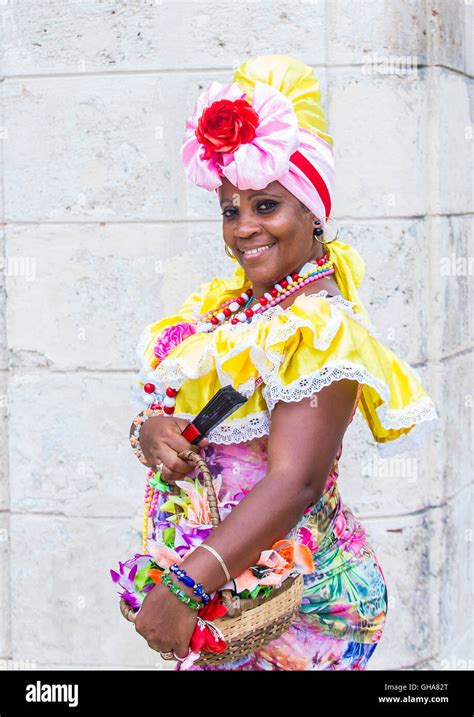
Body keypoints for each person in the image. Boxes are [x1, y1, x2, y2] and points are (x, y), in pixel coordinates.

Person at [115, 55, 440, 671]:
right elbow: (196, 415)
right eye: (230, 210)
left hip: (297, 608)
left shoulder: (321, 326)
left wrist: (186, 587)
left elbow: (296, 481)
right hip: (229, 590)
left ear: (315, 211)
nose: (243, 230)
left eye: (266, 206)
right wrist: (152, 431)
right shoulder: (236, 311)